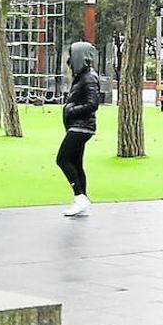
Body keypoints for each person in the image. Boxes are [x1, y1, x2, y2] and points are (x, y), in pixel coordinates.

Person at [58, 41, 101, 217]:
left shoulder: (89, 77)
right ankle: (81, 199)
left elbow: (93, 104)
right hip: (78, 127)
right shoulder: (82, 76)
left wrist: (71, 110)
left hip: (81, 127)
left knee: (62, 159)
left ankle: (80, 196)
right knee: (76, 163)